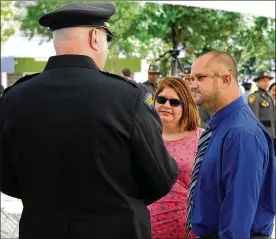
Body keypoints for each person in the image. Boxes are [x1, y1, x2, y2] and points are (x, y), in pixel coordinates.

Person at [0, 3, 179, 239]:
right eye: (106, 40)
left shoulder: (13, 98)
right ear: (96, 37)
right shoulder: (128, 96)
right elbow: (161, 176)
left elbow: (6, 178)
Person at [186, 51, 275, 239]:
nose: (192, 85)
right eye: (191, 78)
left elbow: (237, 222)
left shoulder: (241, 134)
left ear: (226, 80)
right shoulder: (223, 125)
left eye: (200, 77)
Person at [148, 76, 202, 239]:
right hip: (146, 229)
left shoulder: (201, 137)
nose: (166, 105)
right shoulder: (143, 136)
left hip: (189, 231)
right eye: (162, 99)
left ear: (186, 106)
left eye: (174, 102)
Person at [248, 71, 275, 141]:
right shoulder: (254, 96)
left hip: (272, 131)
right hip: (263, 133)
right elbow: (255, 117)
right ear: (258, 82)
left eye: (268, 81)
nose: (267, 83)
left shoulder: (269, 95)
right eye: (264, 81)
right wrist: (258, 134)